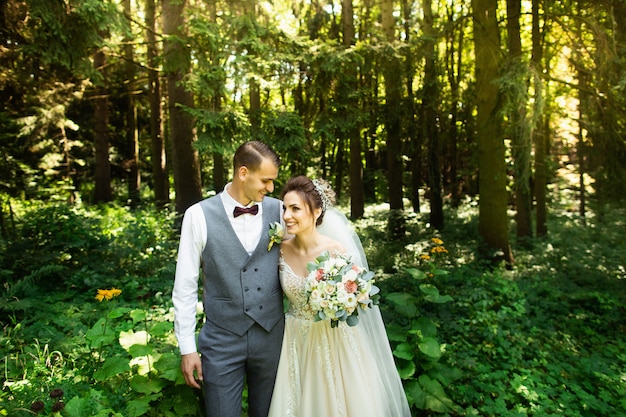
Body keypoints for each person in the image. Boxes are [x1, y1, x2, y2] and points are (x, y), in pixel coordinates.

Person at [268, 176, 411, 417]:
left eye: (295, 209)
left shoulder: (336, 251)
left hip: (334, 341)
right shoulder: (279, 249)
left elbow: (357, 297)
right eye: (284, 208)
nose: (286, 216)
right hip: (294, 340)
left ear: (316, 211)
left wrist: (340, 301)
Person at [172, 141, 285, 417]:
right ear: (243, 173)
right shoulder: (198, 216)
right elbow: (185, 287)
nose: (270, 188)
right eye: (266, 180)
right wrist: (187, 349)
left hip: (273, 338)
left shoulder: (281, 211)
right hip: (221, 340)